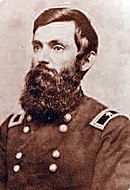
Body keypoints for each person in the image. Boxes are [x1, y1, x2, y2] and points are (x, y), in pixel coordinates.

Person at [0, 7, 130, 190]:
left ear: (85, 61)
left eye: (57, 48)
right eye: (37, 47)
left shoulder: (111, 130)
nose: (42, 58)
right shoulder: (10, 129)